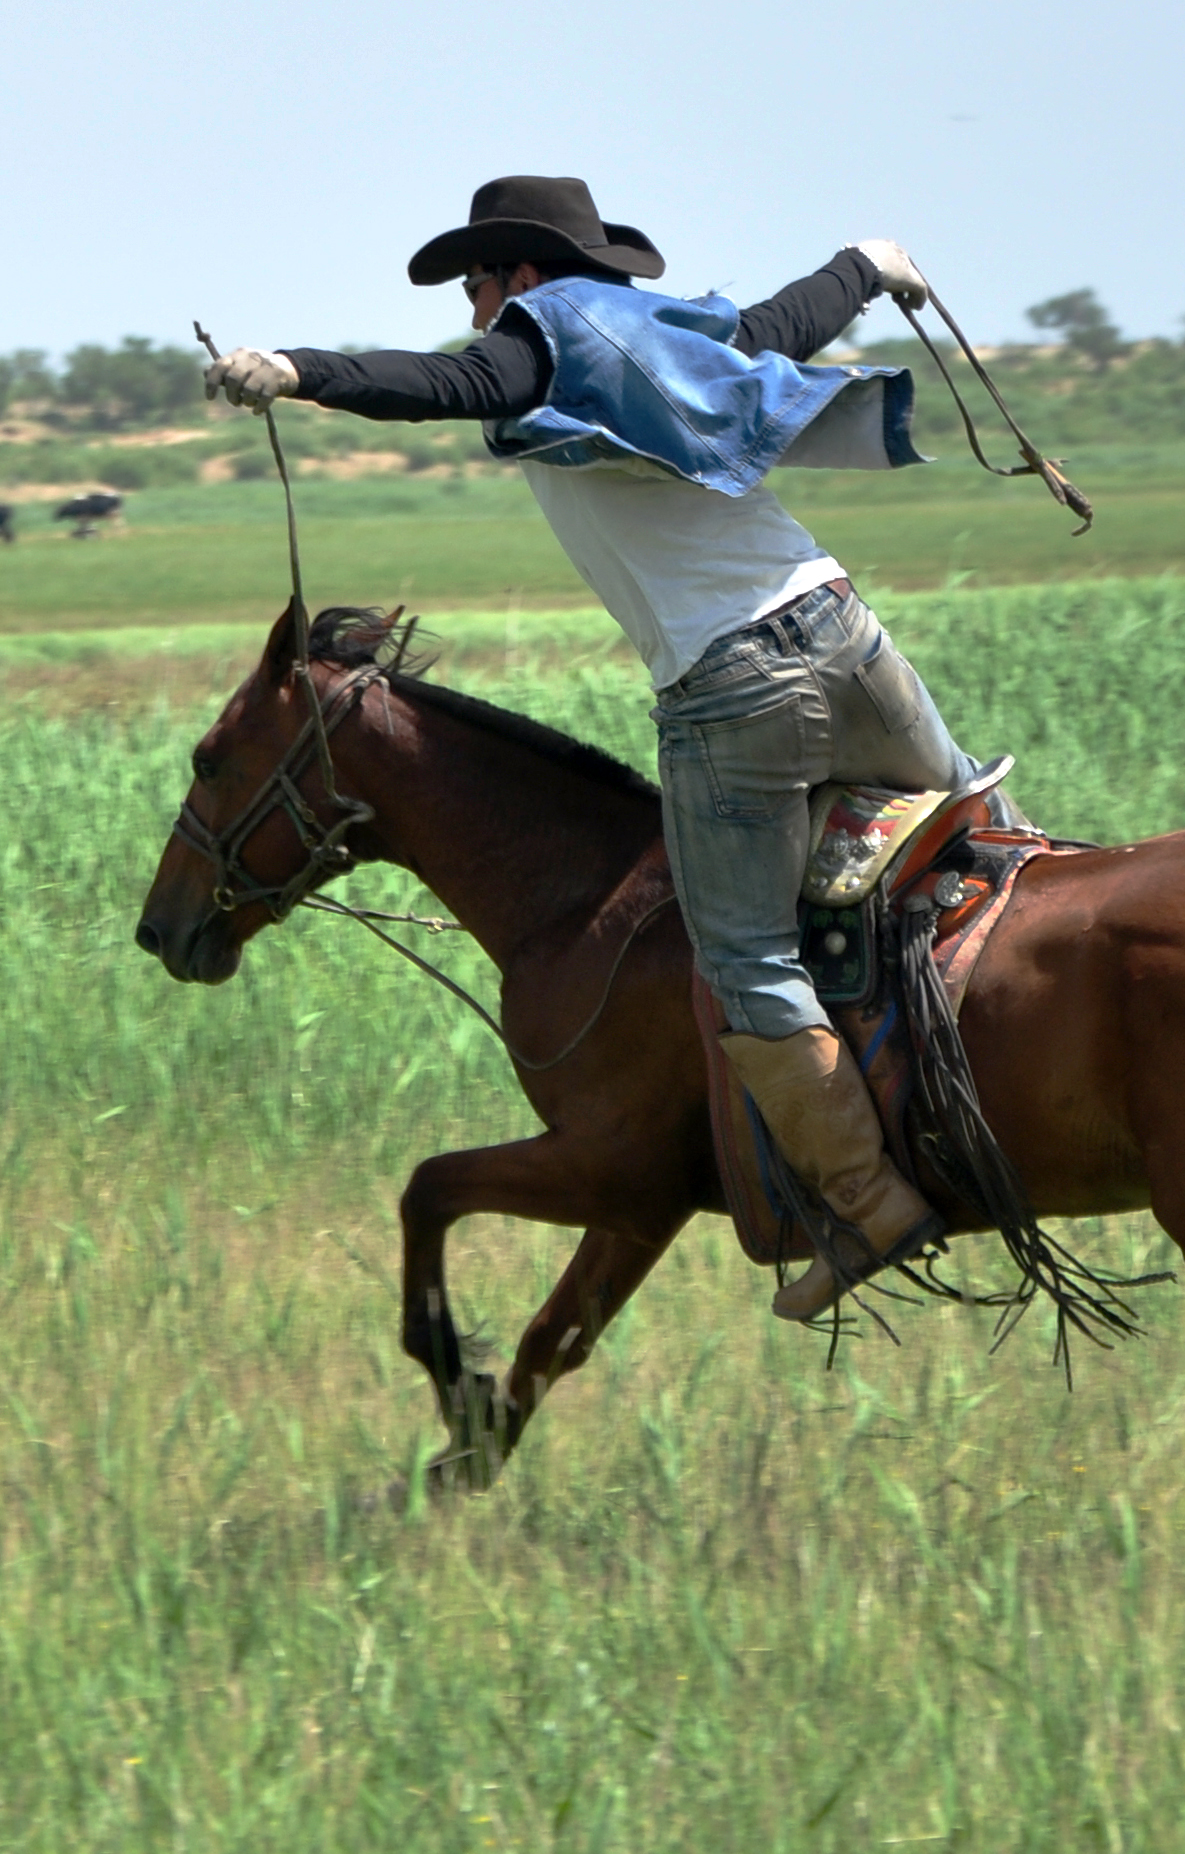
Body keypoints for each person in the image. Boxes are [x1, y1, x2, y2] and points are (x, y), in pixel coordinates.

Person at [205, 174, 984, 1320]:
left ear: (524, 274)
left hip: (736, 685)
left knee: (748, 964)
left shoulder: (541, 335)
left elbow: (442, 385)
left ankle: (871, 1204)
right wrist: (866, 263)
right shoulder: (678, 330)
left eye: (477, 281)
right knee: (986, 849)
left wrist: (299, 370)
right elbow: (784, 325)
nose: (473, 307)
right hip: (849, 636)